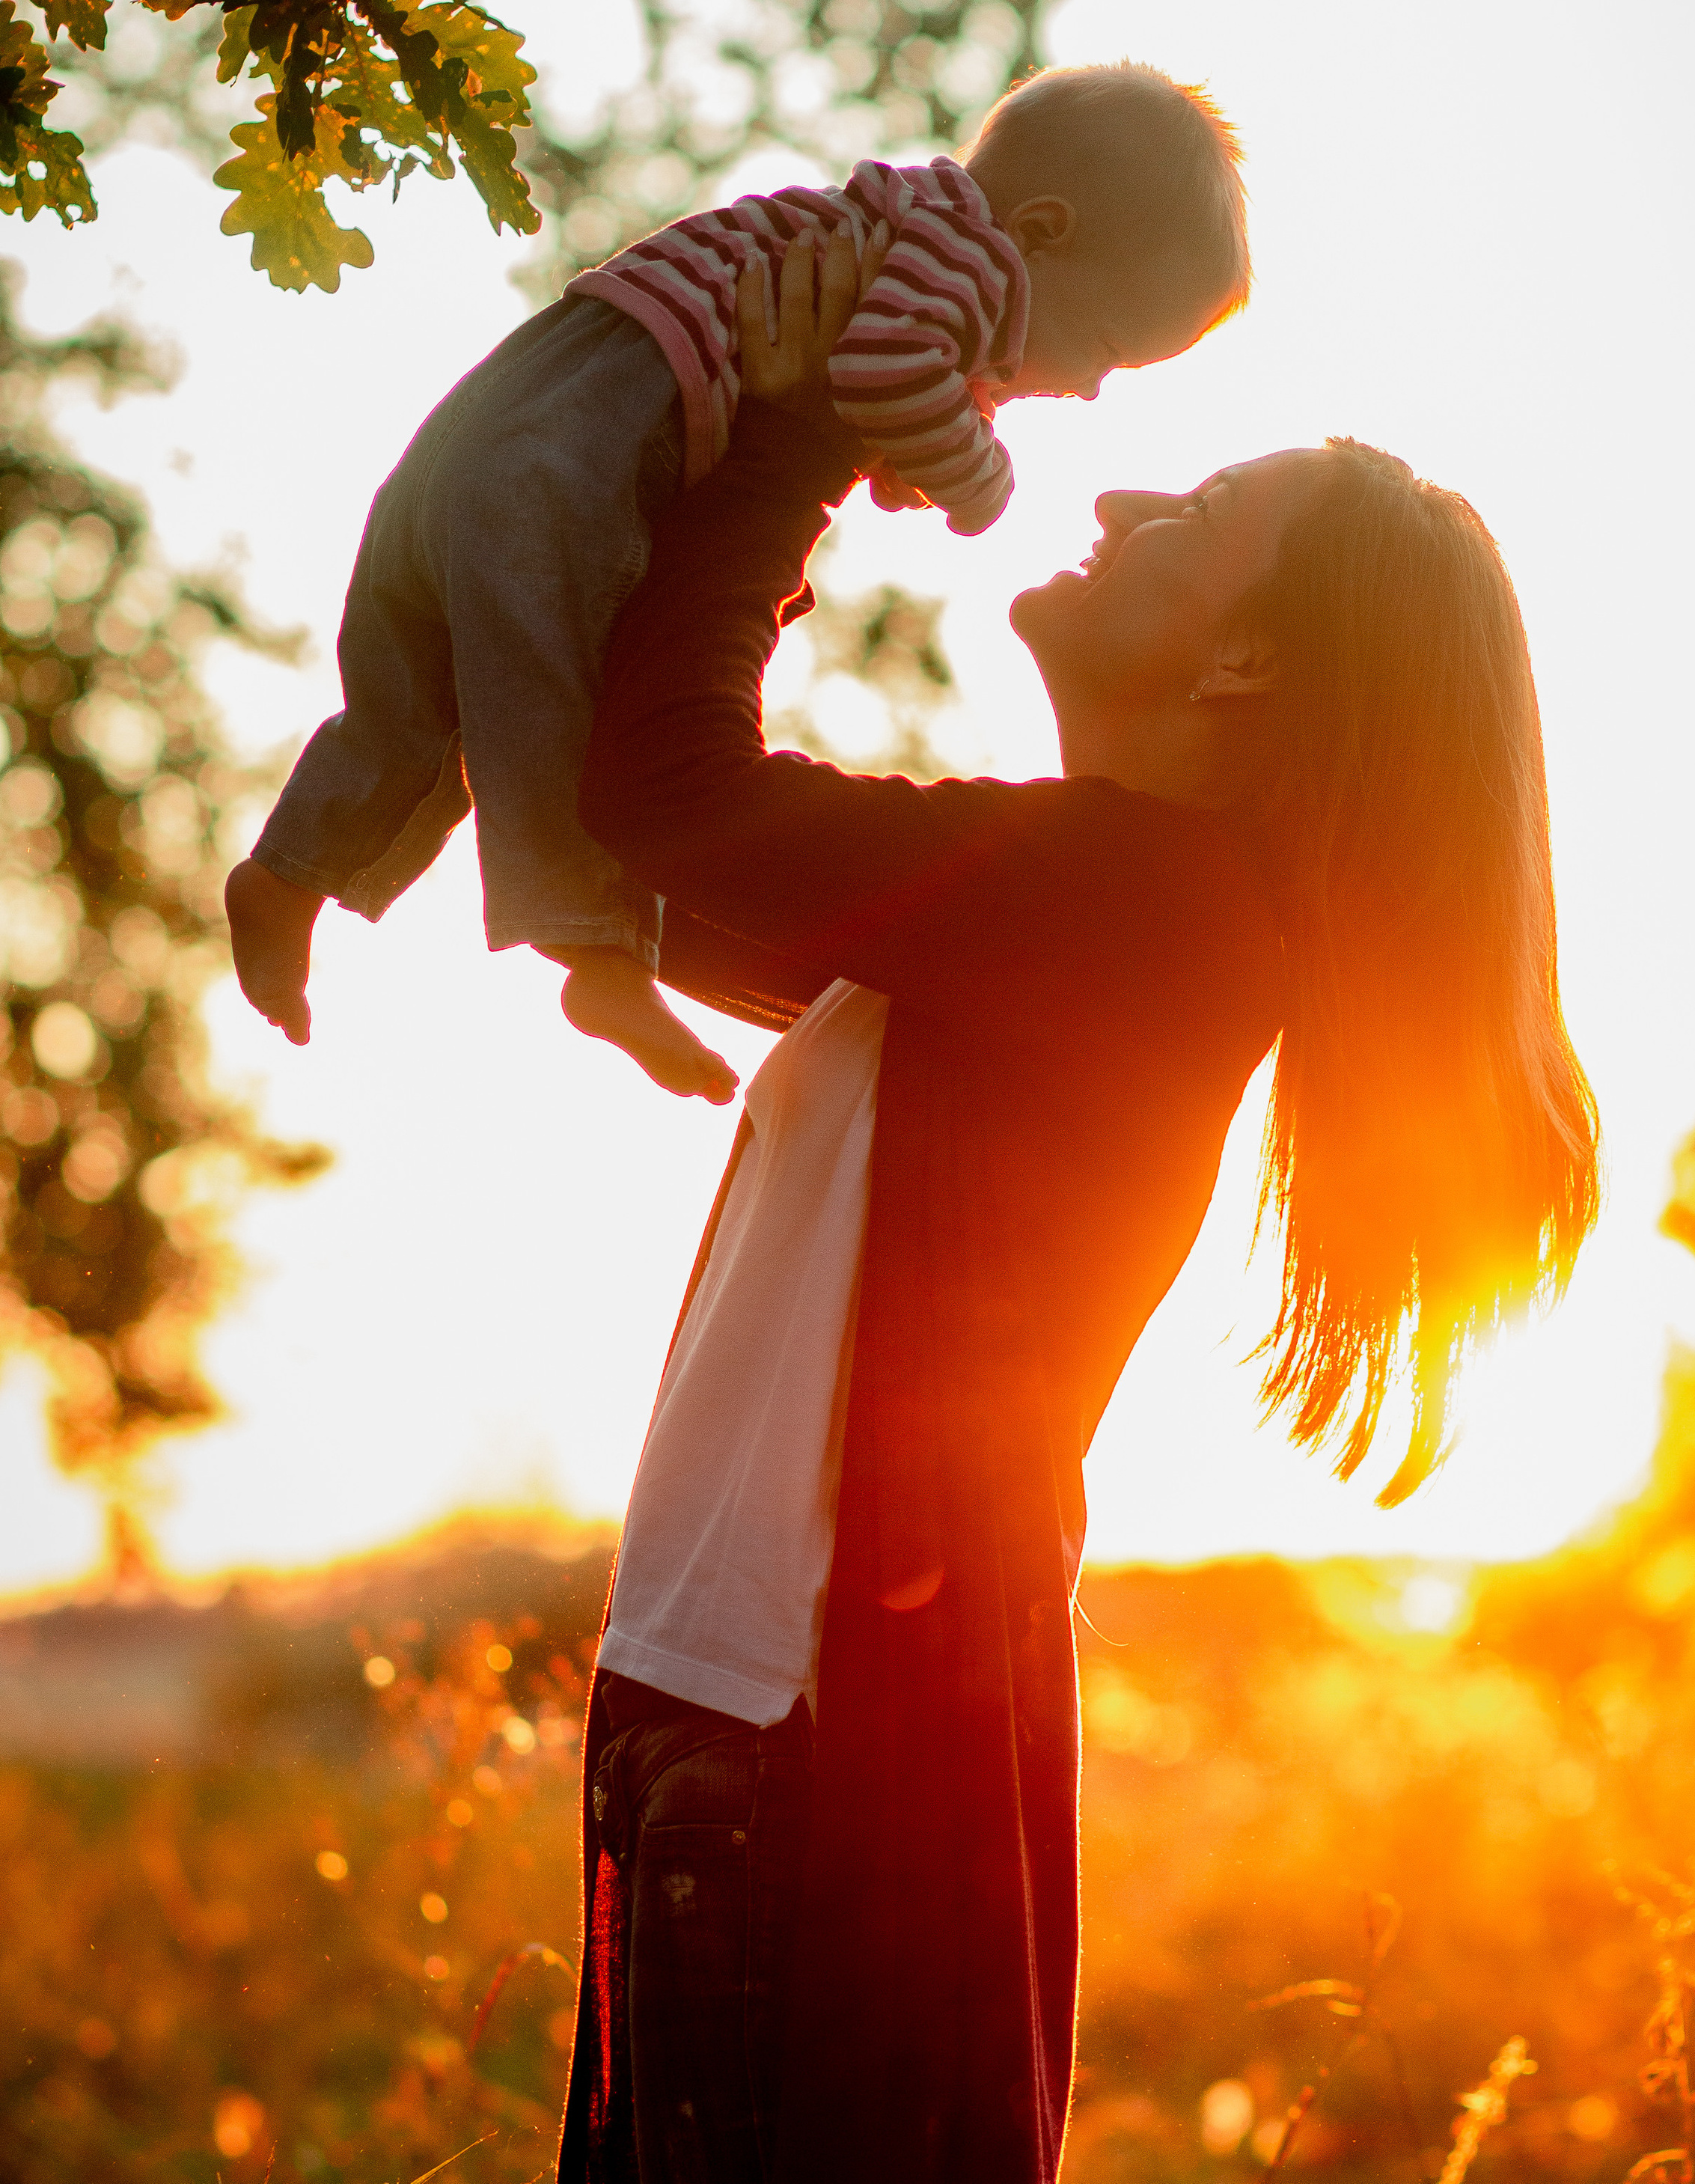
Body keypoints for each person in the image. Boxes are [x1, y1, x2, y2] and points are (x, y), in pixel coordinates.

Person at [557, 226, 1601, 2183]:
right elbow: (686, 880)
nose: (1124, 489)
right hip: (727, 1727)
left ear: (1245, 659)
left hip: (790, 1757)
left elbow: (668, 800)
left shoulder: (1140, 912)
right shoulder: (1068, 920)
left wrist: (797, 426)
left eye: (1199, 505)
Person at [223, 64, 1250, 1105]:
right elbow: (882, 373)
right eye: (1109, 353)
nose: (1085, 390)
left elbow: (877, 371)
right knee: (543, 689)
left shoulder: (911, 232)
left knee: (428, 682)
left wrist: (883, 437)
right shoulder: (970, 265)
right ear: (1043, 232)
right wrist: (978, 480)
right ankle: (597, 952)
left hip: (516, 401)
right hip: (595, 439)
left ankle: (294, 868)